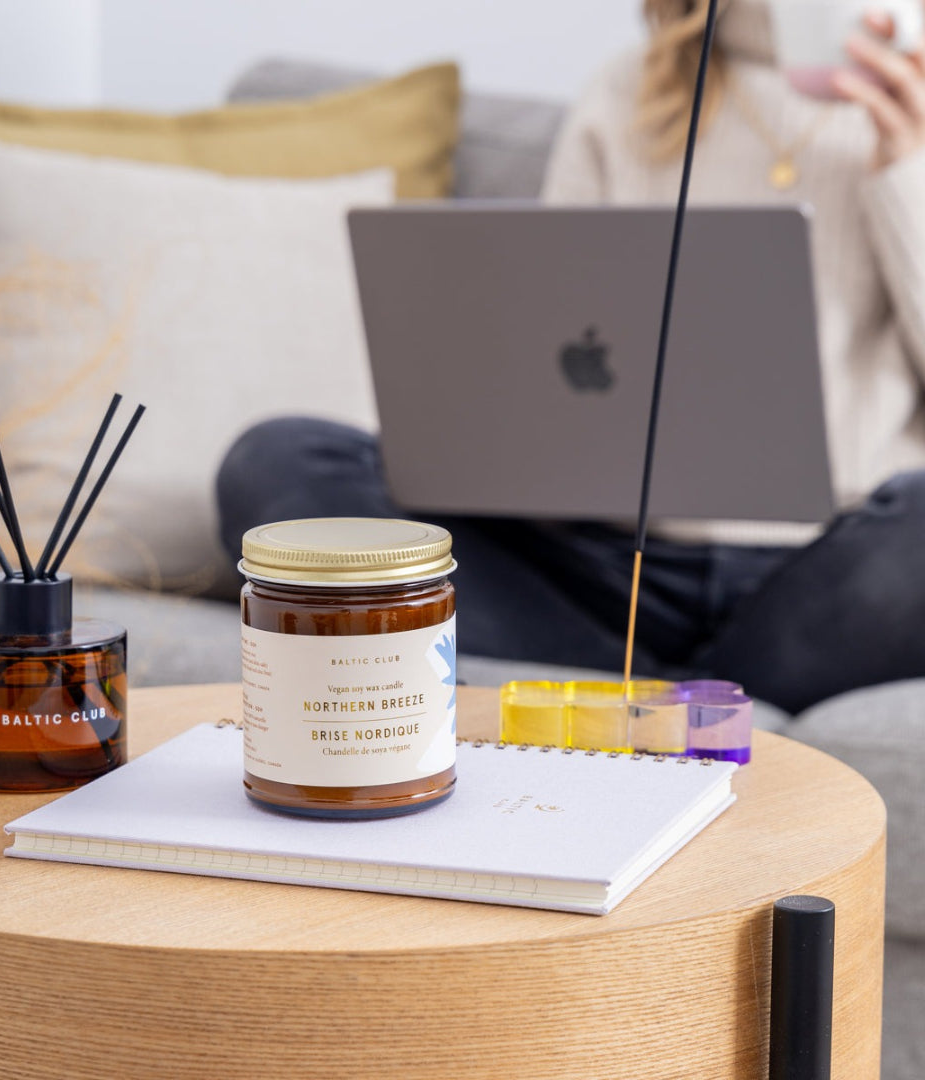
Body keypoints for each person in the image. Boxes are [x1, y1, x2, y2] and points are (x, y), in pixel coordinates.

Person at [217, 0, 925, 714]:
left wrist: (909, 174)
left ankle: (625, 698)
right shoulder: (631, 90)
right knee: (280, 464)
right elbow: (552, 348)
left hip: (831, 571)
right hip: (604, 566)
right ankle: (683, 701)